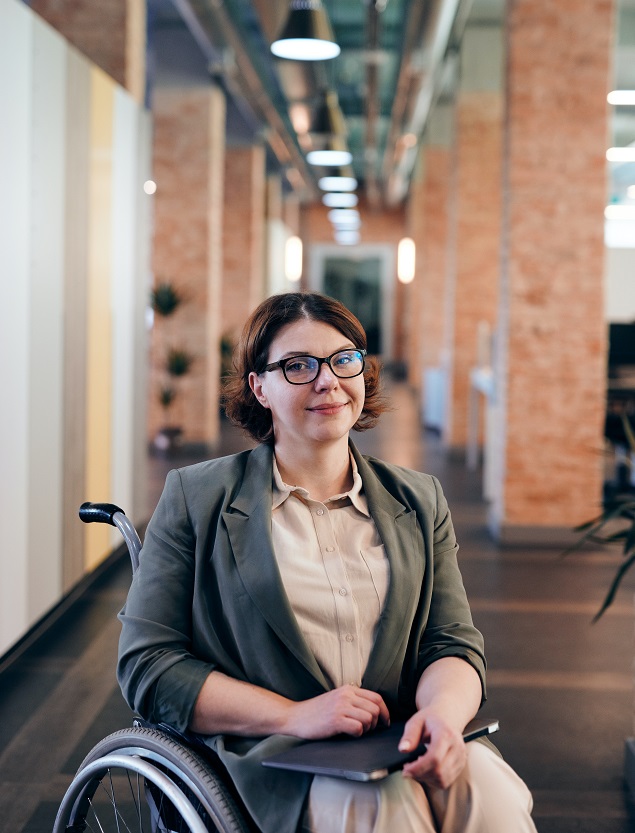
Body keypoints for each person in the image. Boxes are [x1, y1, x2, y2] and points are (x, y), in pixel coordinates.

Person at [118, 291, 537, 833]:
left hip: (397, 736)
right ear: (259, 387)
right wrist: (293, 714)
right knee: (385, 808)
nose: (327, 380)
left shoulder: (418, 498)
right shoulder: (197, 498)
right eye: (298, 366)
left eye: (343, 359)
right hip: (274, 753)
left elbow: (451, 641)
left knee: (493, 797)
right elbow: (149, 665)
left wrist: (444, 716)